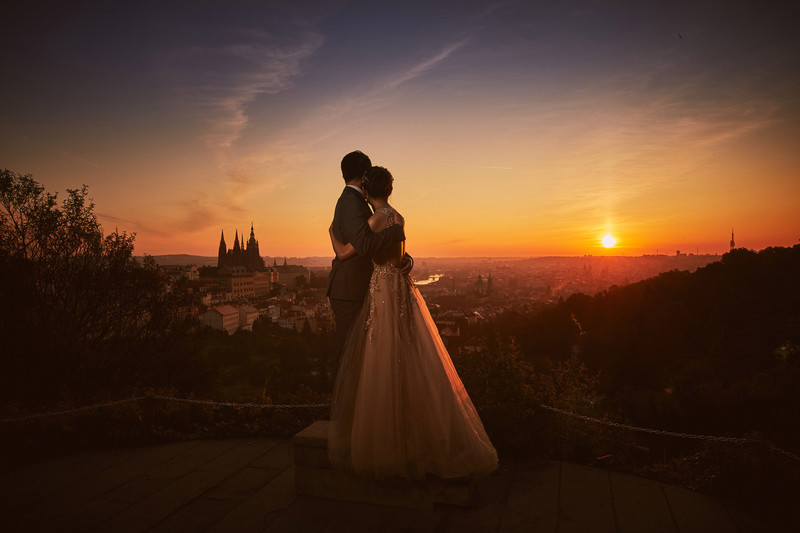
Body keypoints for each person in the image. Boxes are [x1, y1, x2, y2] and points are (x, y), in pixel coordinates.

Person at [327, 166, 498, 480]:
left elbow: (349, 252)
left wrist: (333, 236)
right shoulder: (398, 217)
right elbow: (397, 253)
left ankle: (386, 436)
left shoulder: (374, 220)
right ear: (389, 191)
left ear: (366, 192)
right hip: (401, 288)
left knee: (381, 353)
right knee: (408, 348)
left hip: (381, 287)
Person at [327, 151, 407, 361]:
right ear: (364, 177)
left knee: (360, 353)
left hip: (362, 288)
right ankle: (344, 395)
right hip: (350, 290)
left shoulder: (359, 203)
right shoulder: (352, 202)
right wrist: (395, 234)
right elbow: (363, 244)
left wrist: (402, 257)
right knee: (348, 354)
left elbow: (369, 243)